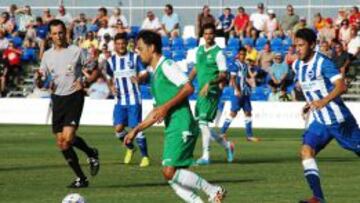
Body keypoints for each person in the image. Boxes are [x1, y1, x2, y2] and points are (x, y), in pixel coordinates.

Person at [124, 30, 226, 203]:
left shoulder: (167, 65)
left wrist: (166, 107)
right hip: (173, 126)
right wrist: (136, 130)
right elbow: (157, 111)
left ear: (152, 47)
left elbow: (188, 88)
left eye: (140, 48)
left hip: (182, 123)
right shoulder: (155, 75)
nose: (138, 52)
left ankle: (214, 190)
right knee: (171, 176)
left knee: (169, 171)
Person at [293, 28, 360, 203]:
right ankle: (318, 197)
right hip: (320, 121)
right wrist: (310, 104)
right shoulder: (297, 65)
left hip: (339, 120)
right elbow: (314, 88)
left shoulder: (323, 62)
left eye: (301, 45)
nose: (297, 49)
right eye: (296, 45)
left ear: (312, 45)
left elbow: (341, 86)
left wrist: (323, 101)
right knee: (306, 151)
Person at [38, 19, 100, 188]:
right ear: (50, 36)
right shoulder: (47, 56)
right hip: (57, 99)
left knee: (69, 137)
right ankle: (82, 176)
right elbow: (41, 81)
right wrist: (39, 80)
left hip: (74, 96)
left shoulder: (77, 51)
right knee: (62, 143)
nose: (58, 36)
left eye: (61, 32)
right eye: (55, 33)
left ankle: (90, 154)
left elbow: (95, 68)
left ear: (66, 33)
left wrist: (85, 83)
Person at [188, 23, 234, 165]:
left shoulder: (218, 53)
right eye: (206, 34)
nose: (208, 36)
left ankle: (206, 156)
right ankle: (227, 146)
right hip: (201, 92)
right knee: (202, 125)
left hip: (212, 92)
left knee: (202, 123)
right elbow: (196, 68)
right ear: (203, 35)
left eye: (211, 33)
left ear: (214, 35)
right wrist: (187, 82)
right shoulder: (200, 50)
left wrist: (211, 83)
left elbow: (224, 74)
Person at [105, 33, 150, 167]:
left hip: (134, 99)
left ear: (127, 44)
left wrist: (139, 79)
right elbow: (108, 77)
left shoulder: (135, 57)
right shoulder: (110, 61)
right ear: (115, 45)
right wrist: (111, 86)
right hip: (119, 100)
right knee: (118, 129)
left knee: (136, 127)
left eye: (123, 43)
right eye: (118, 44)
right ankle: (130, 148)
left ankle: (145, 157)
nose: (121, 46)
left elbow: (144, 73)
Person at [220, 48, 261, 143]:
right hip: (237, 92)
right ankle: (222, 133)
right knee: (233, 112)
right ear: (238, 55)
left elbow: (245, 78)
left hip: (245, 92)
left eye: (244, 54)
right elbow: (233, 79)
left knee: (248, 112)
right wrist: (237, 90)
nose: (242, 56)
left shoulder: (245, 65)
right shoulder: (235, 65)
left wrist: (251, 83)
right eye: (241, 54)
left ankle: (249, 136)